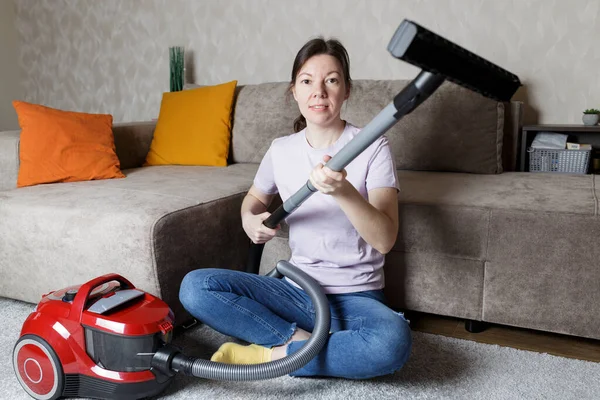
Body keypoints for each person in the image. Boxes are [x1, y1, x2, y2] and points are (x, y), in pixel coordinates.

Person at [179, 37, 412, 379]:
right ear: (294, 91)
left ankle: (272, 354)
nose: (319, 91)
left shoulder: (373, 146)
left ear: (346, 90)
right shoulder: (281, 150)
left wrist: (342, 190)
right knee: (195, 287)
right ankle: (297, 341)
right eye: (307, 81)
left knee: (390, 345)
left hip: (356, 297)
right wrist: (249, 219)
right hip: (296, 290)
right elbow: (254, 200)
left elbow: (385, 239)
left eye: (331, 80)